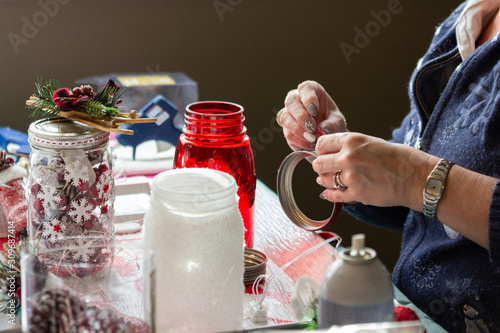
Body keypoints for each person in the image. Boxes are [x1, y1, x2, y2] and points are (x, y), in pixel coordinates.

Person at [277, 1, 500, 332]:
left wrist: (411, 176)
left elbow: (420, 176)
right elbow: (427, 168)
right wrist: (346, 155)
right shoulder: (476, 12)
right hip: (412, 317)